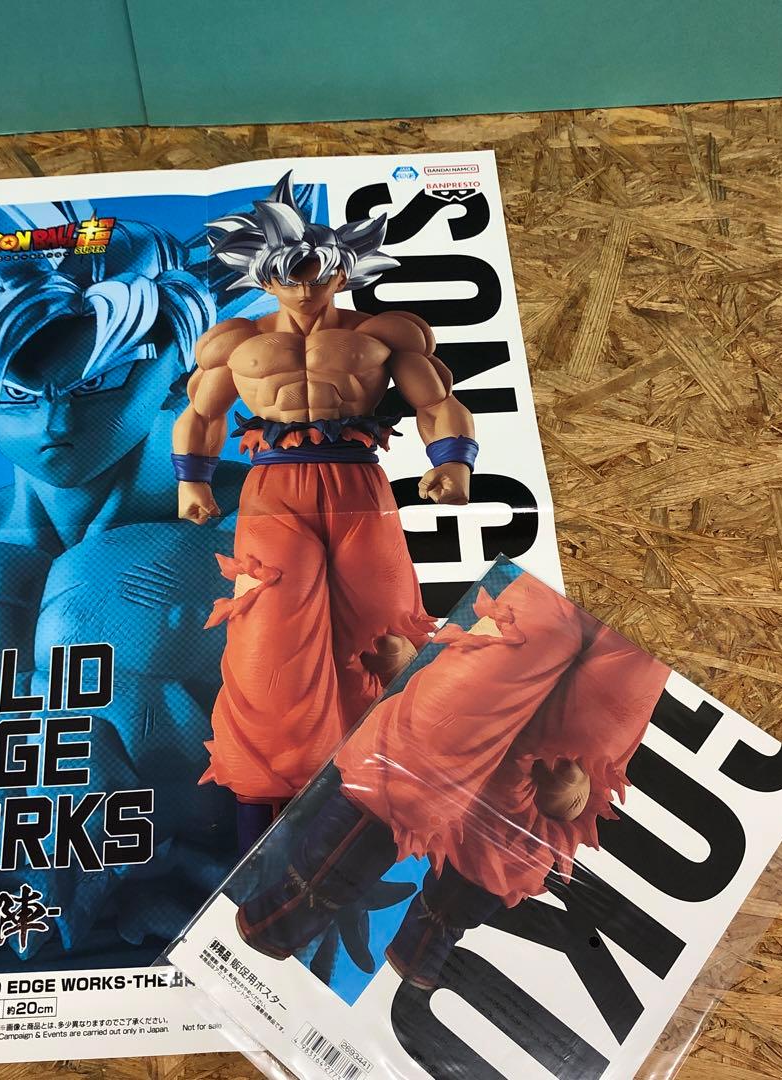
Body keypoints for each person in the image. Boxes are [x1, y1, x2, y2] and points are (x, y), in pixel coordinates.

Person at [0, 217, 244, 977]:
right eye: (17, 393)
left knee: (111, 595)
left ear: (181, 370)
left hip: (191, 937)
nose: (57, 421)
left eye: (97, 382)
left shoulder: (274, 520)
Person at [172, 172, 478, 851]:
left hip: (358, 486)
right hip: (273, 493)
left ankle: (381, 802)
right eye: (288, 271)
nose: (305, 285)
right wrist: (192, 481)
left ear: (343, 268)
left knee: (387, 639)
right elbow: (202, 414)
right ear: (260, 272)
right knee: (266, 646)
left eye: (317, 269)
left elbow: (437, 402)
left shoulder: (384, 333)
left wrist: (453, 461)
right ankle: (264, 810)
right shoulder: (235, 342)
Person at [234, 571, 670, 990]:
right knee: (449, 721)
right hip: (571, 590)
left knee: (563, 779)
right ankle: (296, 910)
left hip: (650, 616)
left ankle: (423, 936)